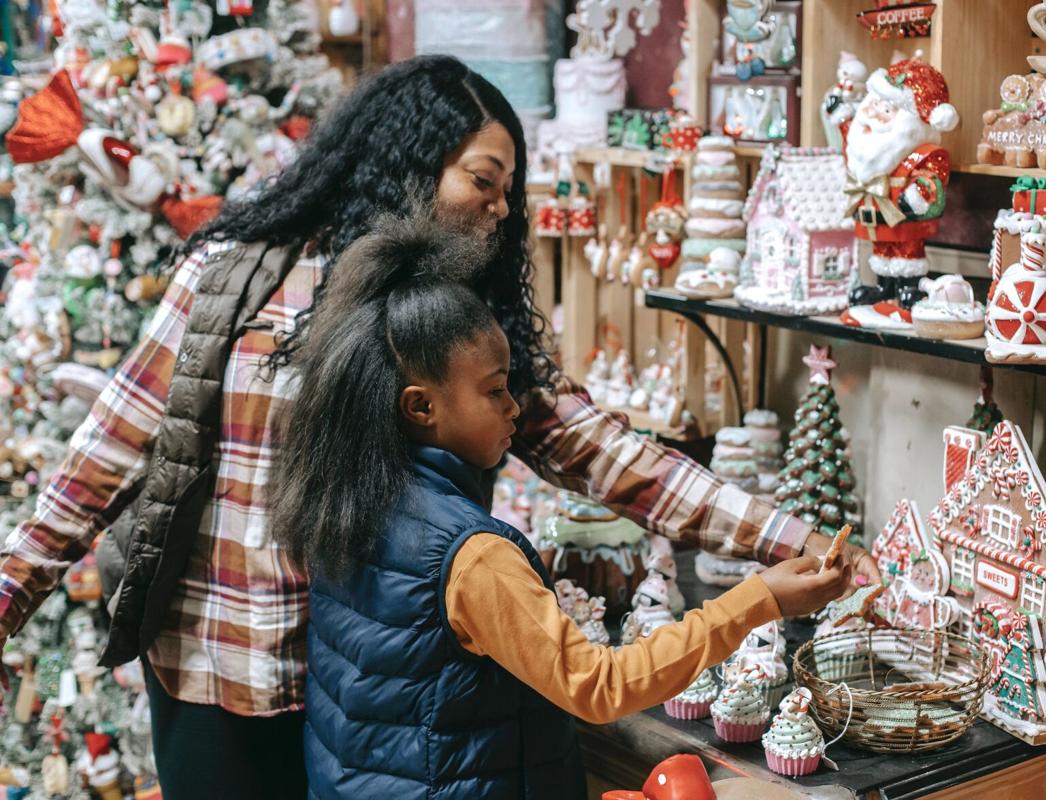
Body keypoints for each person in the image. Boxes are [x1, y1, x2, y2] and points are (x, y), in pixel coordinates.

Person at [0, 56, 879, 799]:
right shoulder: (236, 277)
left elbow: (611, 454)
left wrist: (789, 539)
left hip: (365, 697)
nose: (500, 210)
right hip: (212, 671)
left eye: (508, 192)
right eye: (482, 182)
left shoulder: (451, 325)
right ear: (409, 162)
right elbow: (103, 455)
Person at [275, 217, 852, 799]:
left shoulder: (343, 495)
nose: (514, 411)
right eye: (495, 390)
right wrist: (761, 600)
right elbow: (598, 686)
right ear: (421, 406)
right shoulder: (470, 557)